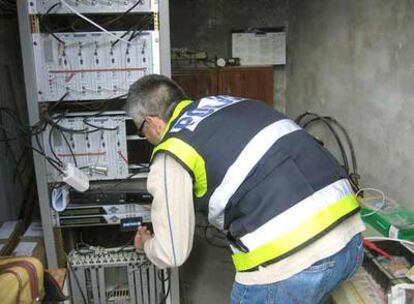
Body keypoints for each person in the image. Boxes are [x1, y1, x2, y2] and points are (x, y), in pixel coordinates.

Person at [126, 74, 365, 304]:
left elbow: (172, 253)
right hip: (350, 239)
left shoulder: (172, 150)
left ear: (152, 122)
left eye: (141, 131)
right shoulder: (229, 103)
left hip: (291, 263)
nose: (145, 138)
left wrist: (146, 245)